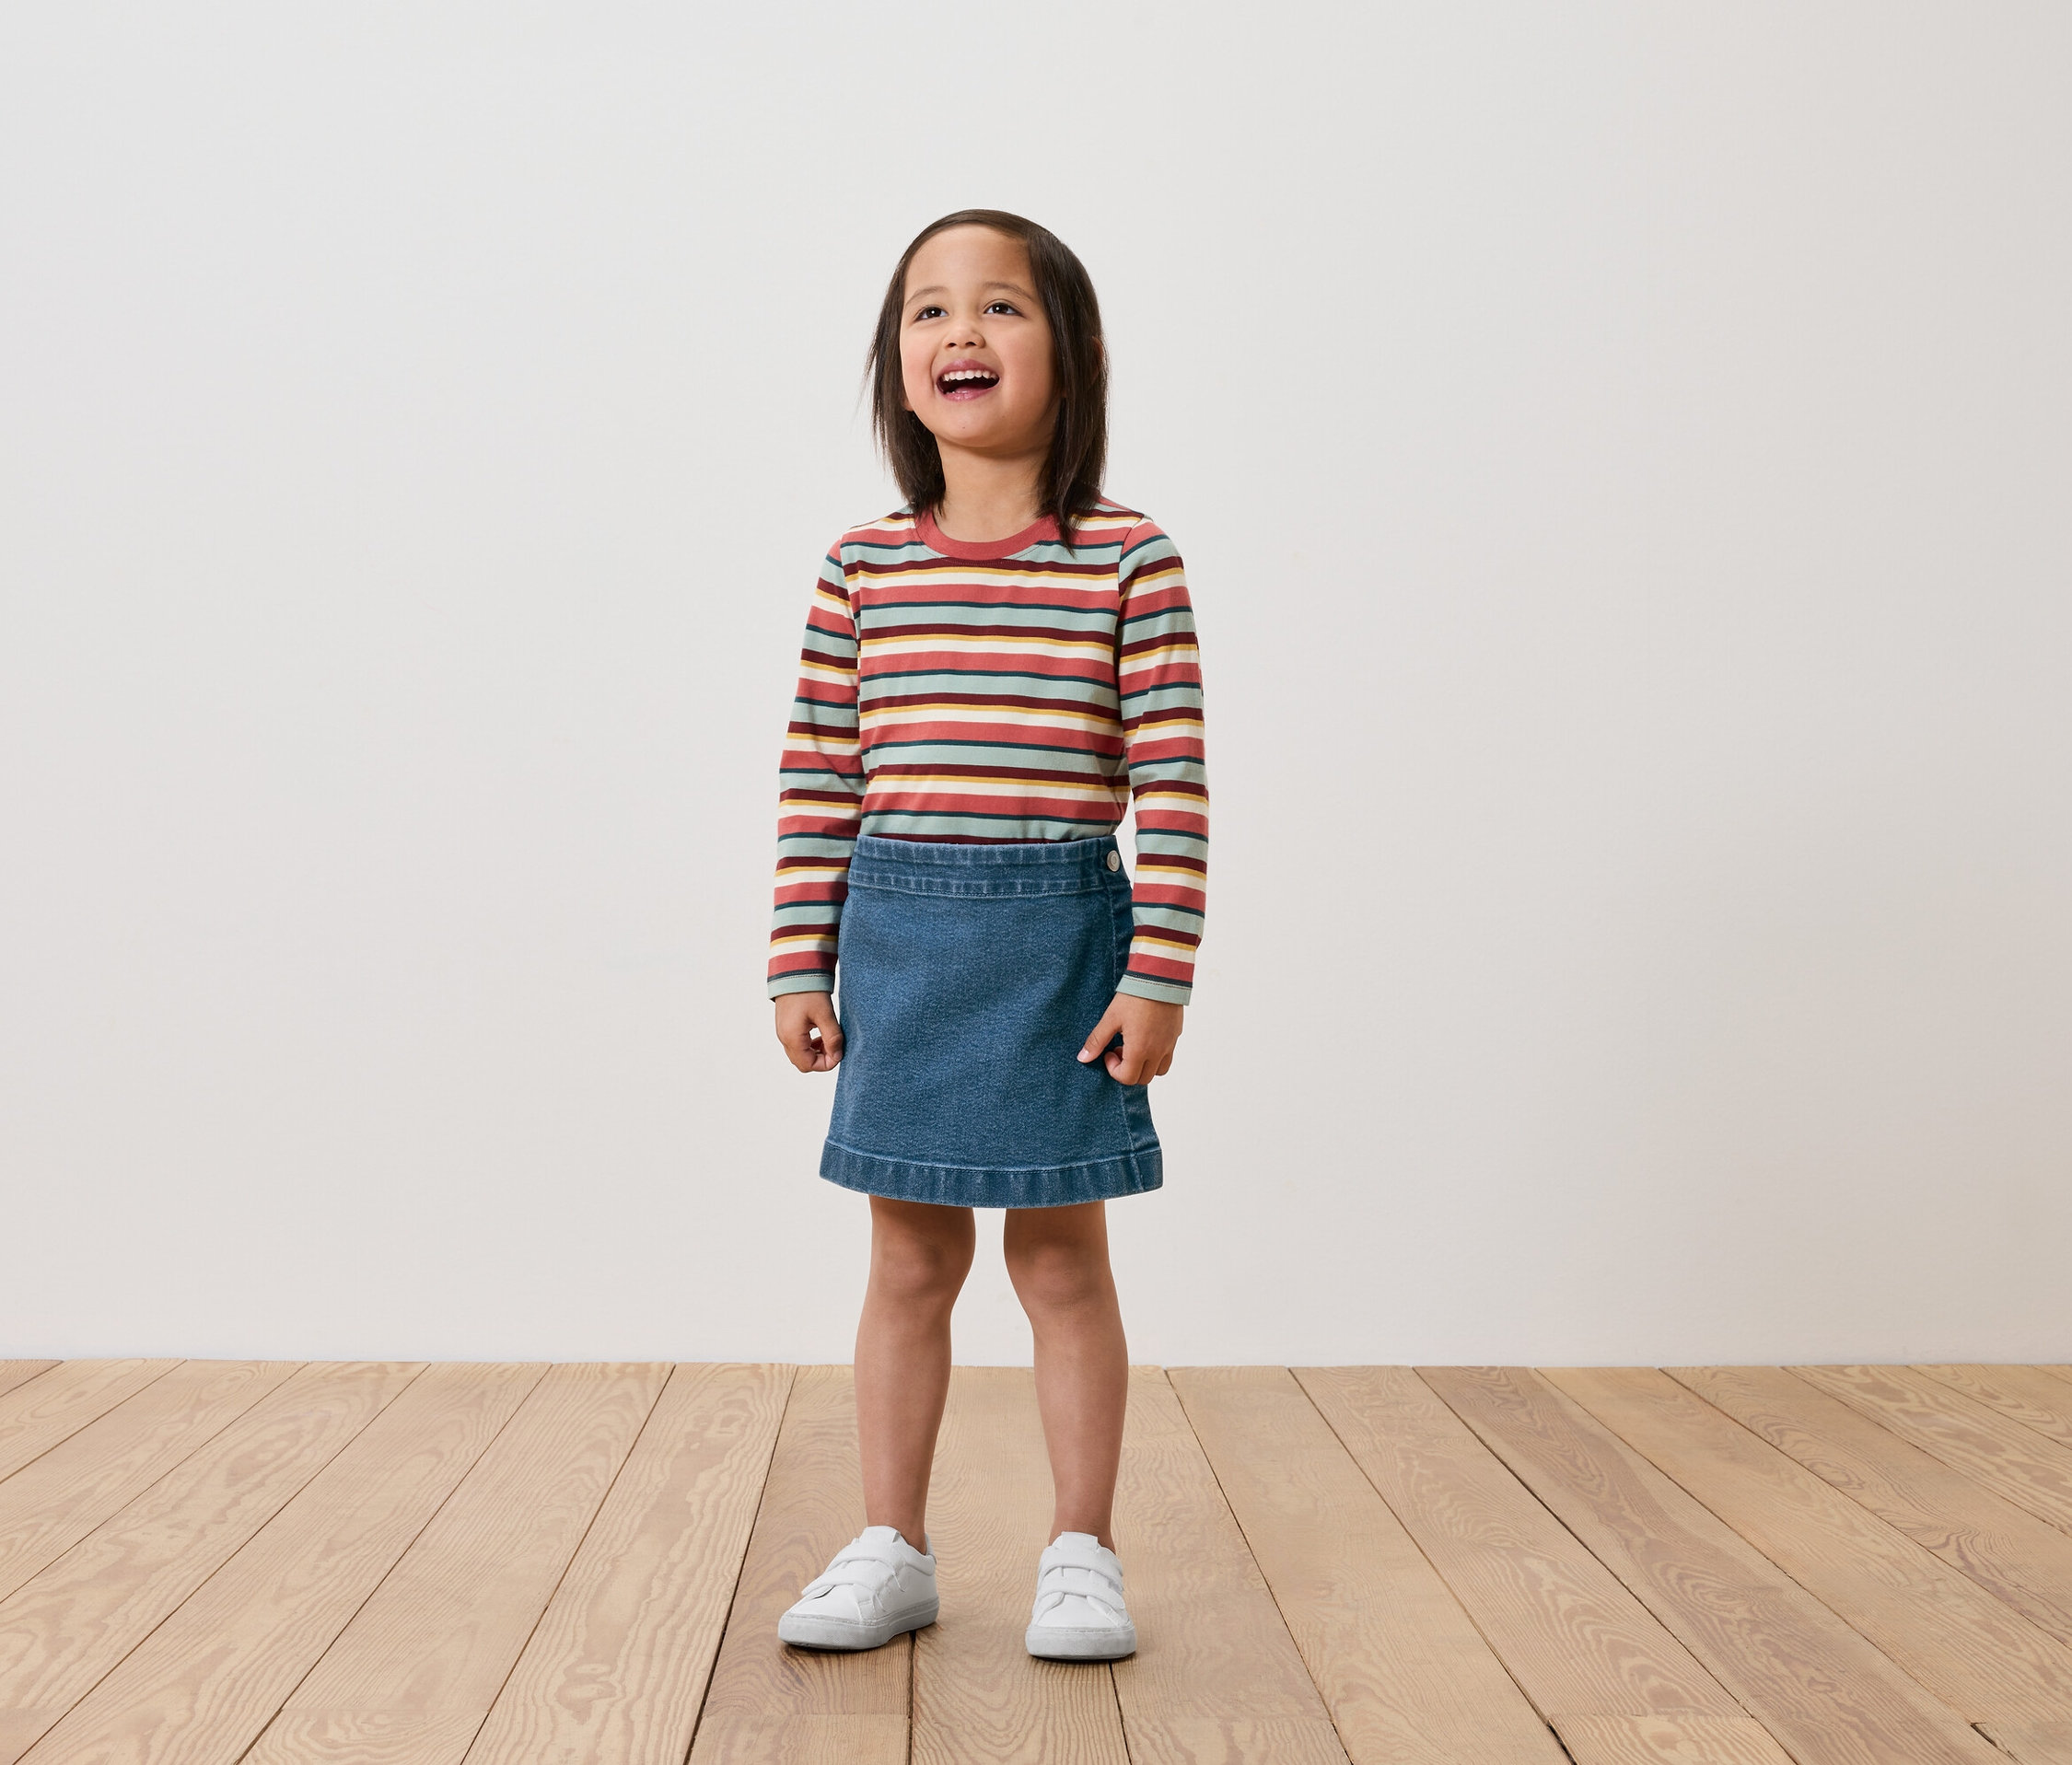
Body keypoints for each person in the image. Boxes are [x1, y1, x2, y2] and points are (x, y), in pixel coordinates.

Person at [764, 209, 1208, 1663]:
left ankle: (1080, 1548)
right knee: (906, 1263)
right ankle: (892, 1542)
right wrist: (796, 960)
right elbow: (822, 775)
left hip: (1061, 942)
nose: (960, 332)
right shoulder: (860, 571)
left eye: (1001, 307)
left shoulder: (1128, 560)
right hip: (901, 942)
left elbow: (1173, 786)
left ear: (1070, 356)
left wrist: (1159, 975)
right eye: (927, 312)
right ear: (896, 371)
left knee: (1063, 1260)